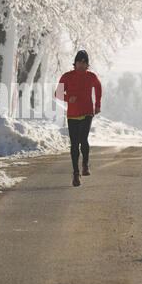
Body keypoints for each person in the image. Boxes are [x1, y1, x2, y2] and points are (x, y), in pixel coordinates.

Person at [55, 50, 102, 187]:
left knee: (83, 139)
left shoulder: (91, 77)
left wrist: (97, 105)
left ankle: (85, 165)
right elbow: (57, 93)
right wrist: (68, 98)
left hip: (87, 112)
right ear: (75, 63)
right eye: (79, 62)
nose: (81, 65)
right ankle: (76, 173)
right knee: (74, 144)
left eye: (84, 62)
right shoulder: (67, 76)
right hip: (72, 114)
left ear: (87, 64)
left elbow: (99, 88)